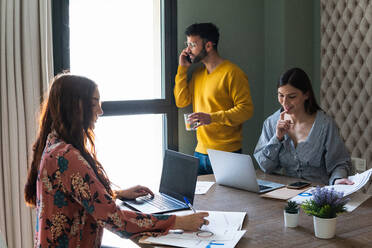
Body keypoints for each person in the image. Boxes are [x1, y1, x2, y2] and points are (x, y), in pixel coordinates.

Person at [24, 74, 209, 247]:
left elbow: (77, 196)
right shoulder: (67, 157)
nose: (101, 110)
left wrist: (117, 194)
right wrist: (179, 222)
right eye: (94, 103)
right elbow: (116, 220)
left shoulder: (54, 143)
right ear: (76, 106)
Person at [174, 22, 254, 175]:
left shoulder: (232, 73)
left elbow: (246, 110)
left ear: (208, 46)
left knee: (227, 200)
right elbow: (181, 101)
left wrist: (211, 118)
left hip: (226, 154)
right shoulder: (198, 74)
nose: (187, 49)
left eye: (192, 44)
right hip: (200, 152)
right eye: (187, 44)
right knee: (198, 199)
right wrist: (182, 69)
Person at [254, 68, 354, 185]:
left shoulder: (325, 124)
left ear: (306, 95)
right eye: (281, 95)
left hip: (318, 193)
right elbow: (266, 166)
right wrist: (277, 138)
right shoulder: (271, 123)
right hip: (285, 192)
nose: (285, 102)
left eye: (292, 97)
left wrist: (337, 179)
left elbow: (340, 162)